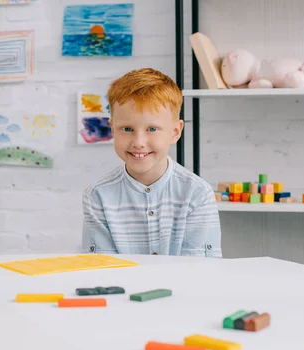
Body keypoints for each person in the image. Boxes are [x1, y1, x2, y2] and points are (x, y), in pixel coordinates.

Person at [81, 68, 222, 257]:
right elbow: (101, 270)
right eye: (127, 128)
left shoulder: (197, 194)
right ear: (113, 130)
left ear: (175, 132)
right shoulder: (97, 196)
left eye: (152, 129)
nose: (139, 142)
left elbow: (199, 271)